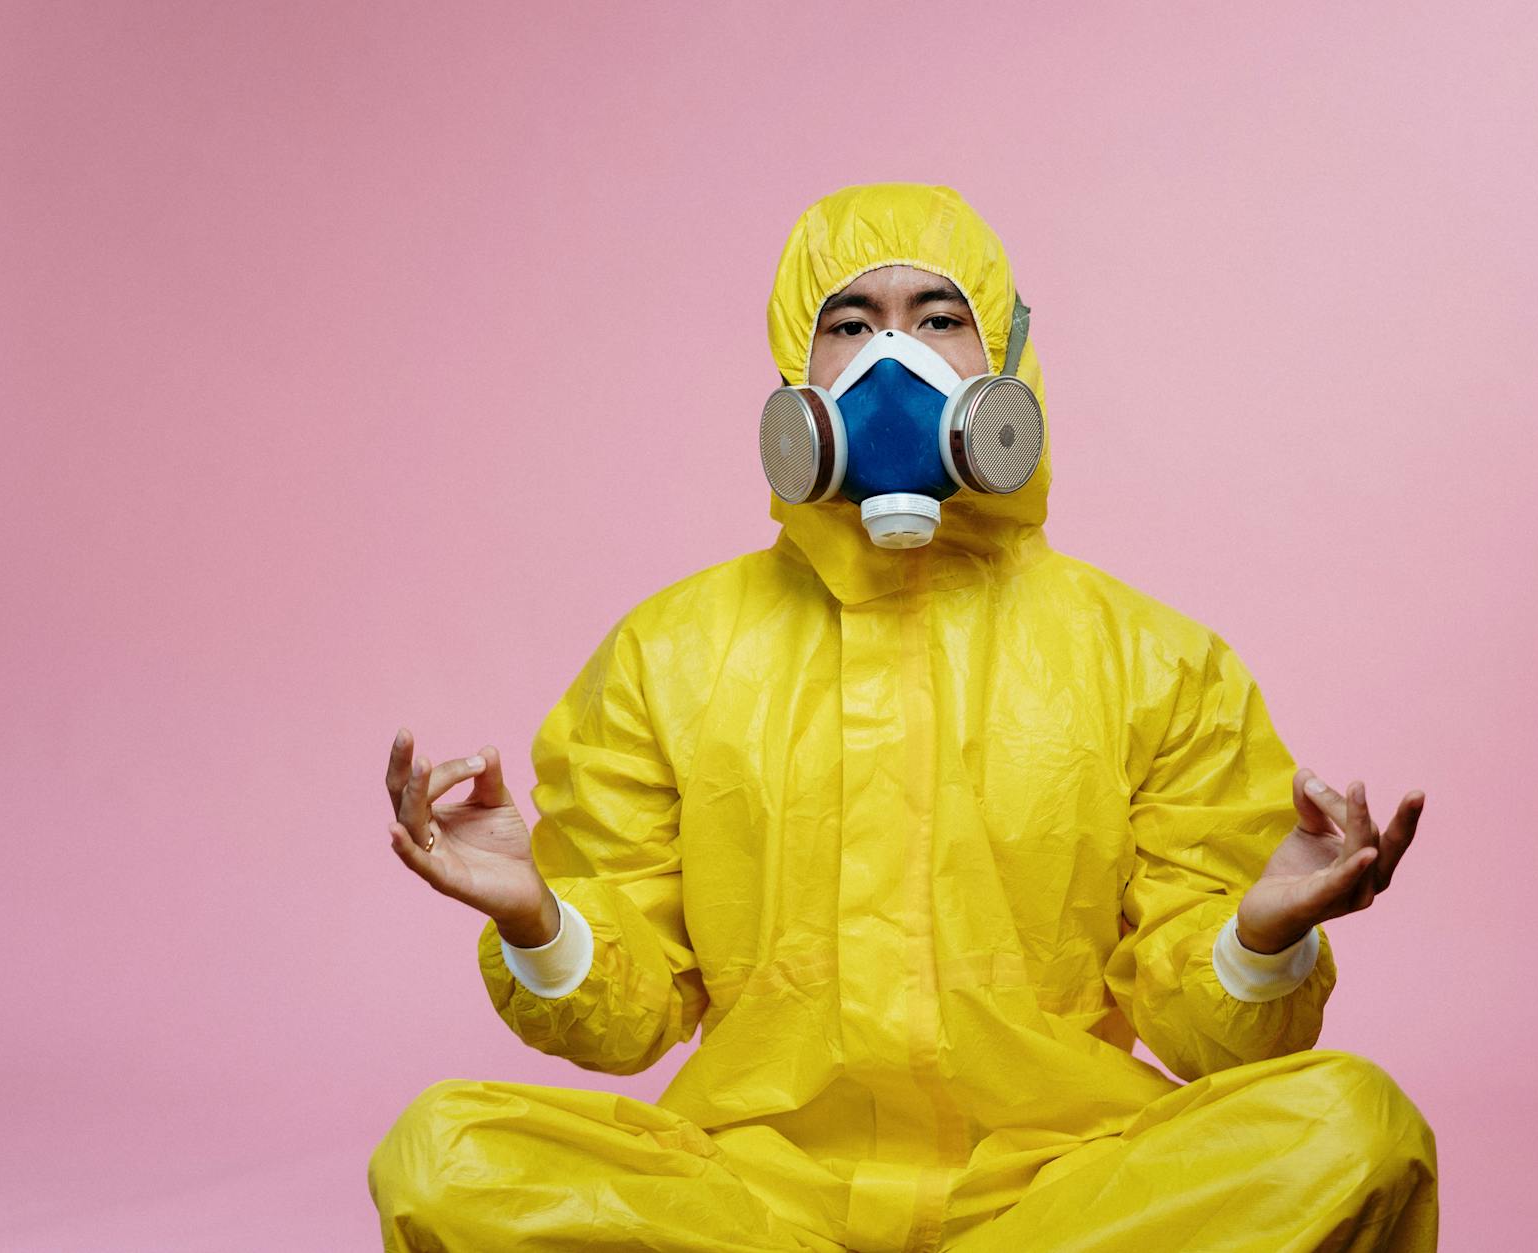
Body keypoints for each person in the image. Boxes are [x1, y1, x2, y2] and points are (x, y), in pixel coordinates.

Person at [368, 182, 1437, 1252]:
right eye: (849, 325)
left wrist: (1258, 938)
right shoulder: (668, 652)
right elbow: (630, 1017)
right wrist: (540, 922)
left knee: (1351, 1129)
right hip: (759, 1198)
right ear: (797, 376)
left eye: (936, 319)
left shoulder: (1155, 662)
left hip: (1056, 1193)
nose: (894, 360)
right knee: (442, 1159)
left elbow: (1212, 1035)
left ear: (1003, 360)